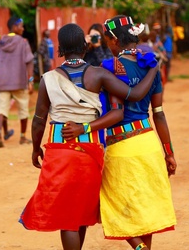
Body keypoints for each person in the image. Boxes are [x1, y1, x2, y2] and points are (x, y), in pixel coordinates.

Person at [19, 23, 159, 250]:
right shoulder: (99, 75)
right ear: (85, 46)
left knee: (69, 217)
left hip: (58, 151)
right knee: (81, 211)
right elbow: (129, 100)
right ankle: (139, 245)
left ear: (60, 48)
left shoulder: (48, 79)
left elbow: (38, 121)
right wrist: (153, 69)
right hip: (89, 152)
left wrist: (36, 149)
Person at [99, 15, 177, 250]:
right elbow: (159, 114)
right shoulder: (150, 63)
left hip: (121, 146)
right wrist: (169, 152)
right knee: (144, 210)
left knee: (109, 201)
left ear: (114, 40)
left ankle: (139, 248)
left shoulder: (110, 67)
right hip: (149, 144)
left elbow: (115, 110)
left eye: (106, 40)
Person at [0, 17, 34, 148]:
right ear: (14, 27)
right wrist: (31, 80)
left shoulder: (0, 43)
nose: (23, 28)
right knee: (23, 109)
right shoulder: (23, 42)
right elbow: (29, 62)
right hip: (19, 82)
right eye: (21, 26)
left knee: (1, 108)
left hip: (3, 81)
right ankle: (22, 137)